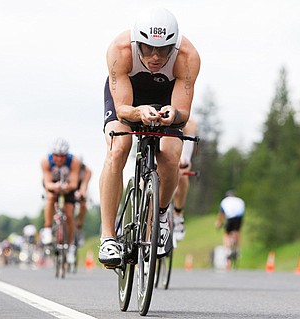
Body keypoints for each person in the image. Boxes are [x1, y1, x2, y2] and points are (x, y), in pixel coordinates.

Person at [98, 7, 201, 266]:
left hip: (167, 98)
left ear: (173, 45)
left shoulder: (187, 56)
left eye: (163, 50)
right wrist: (137, 111)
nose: (155, 57)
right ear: (136, 43)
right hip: (129, 97)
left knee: (171, 156)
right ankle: (108, 236)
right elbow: (122, 109)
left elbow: (184, 113)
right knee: (118, 147)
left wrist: (173, 113)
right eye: (147, 48)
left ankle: (162, 215)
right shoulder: (119, 51)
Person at [41, 138, 81, 261]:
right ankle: (47, 228)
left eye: (62, 156)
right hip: (53, 185)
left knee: (69, 213)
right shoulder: (46, 161)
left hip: (68, 186)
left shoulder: (74, 161)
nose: (59, 159)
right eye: (56, 156)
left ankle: (69, 245)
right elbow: (47, 183)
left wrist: (66, 187)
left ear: (66, 155)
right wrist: (55, 187)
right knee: (50, 197)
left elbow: (74, 183)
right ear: (52, 155)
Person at [172, 117, 198, 241]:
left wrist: (183, 163)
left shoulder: (189, 124)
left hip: (178, 153)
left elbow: (185, 162)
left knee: (182, 175)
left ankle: (177, 215)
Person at [215, 191, 246, 265]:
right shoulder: (240, 200)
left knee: (226, 234)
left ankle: (228, 250)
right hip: (239, 218)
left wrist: (219, 222)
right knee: (237, 231)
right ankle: (237, 250)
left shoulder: (225, 201)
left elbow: (221, 214)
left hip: (230, 217)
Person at [75, 158, 92, 231]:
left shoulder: (87, 171)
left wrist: (81, 193)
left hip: (80, 188)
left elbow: (84, 185)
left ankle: (79, 223)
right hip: (70, 187)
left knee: (83, 203)